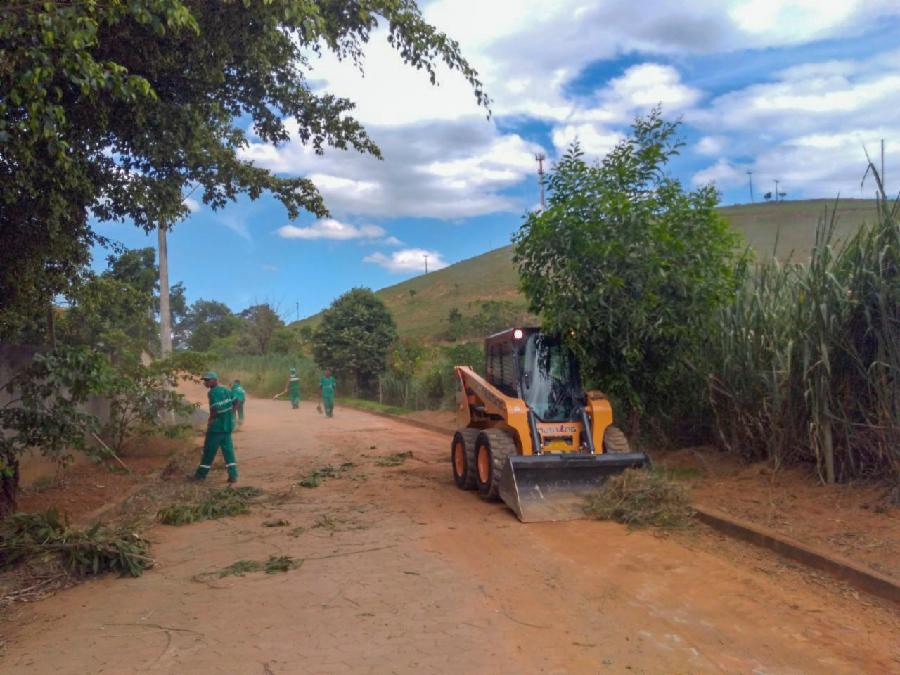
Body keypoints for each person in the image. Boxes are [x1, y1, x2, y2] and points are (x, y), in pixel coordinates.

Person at [195, 371, 239, 483]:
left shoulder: (212, 393)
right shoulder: (226, 389)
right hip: (227, 426)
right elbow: (236, 401)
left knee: (209, 451)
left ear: (215, 380)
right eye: (205, 380)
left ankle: (200, 476)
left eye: (208, 380)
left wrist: (210, 420)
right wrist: (231, 414)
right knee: (228, 451)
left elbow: (214, 410)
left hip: (216, 428)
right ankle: (233, 475)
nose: (205, 382)